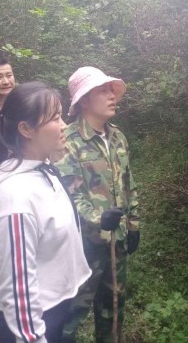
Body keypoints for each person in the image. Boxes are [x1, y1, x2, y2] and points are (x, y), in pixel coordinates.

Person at [0, 81, 91, 343]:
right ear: (26, 129)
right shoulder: (15, 193)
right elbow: (18, 286)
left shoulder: (42, 169)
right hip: (29, 324)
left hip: (53, 309)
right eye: (55, 118)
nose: (64, 126)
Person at [54, 66, 140, 343]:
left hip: (117, 241)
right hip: (83, 247)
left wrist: (133, 224)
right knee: (70, 315)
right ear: (84, 100)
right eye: (103, 91)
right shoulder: (68, 141)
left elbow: (128, 184)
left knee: (113, 311)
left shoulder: (117, 137)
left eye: (111, 90)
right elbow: (69, 195)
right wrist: (97, 219)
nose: (112, 95)